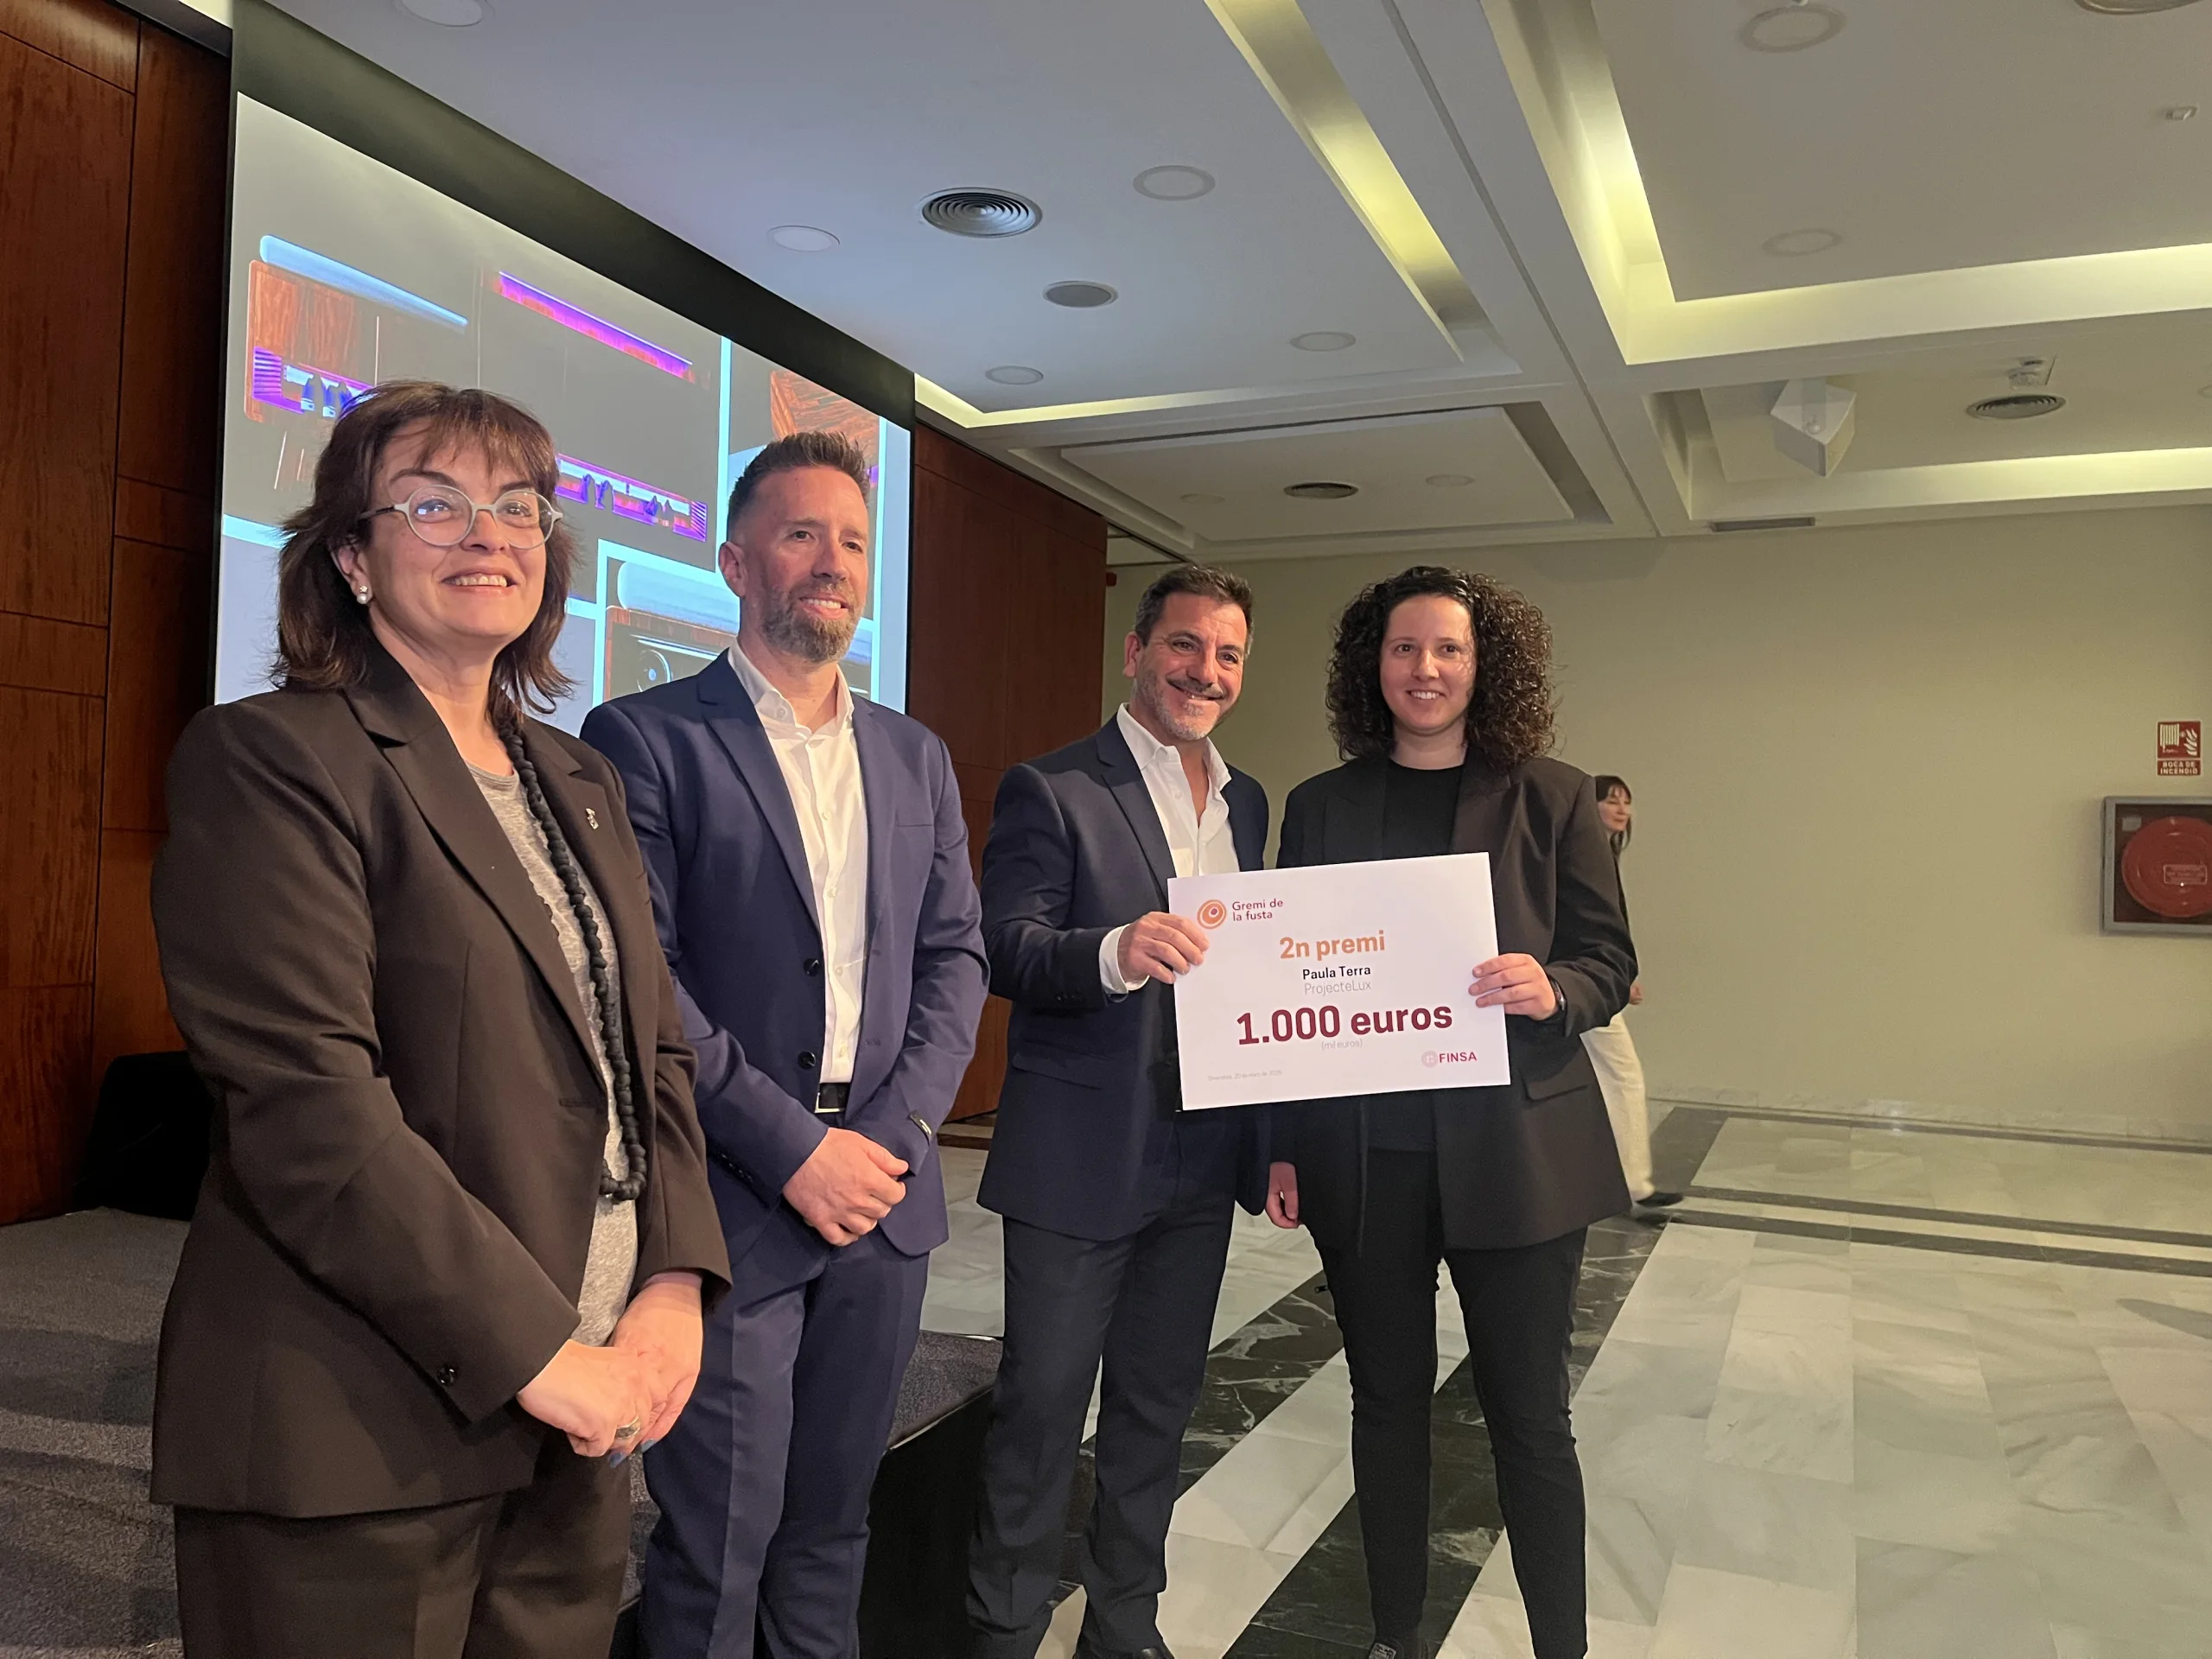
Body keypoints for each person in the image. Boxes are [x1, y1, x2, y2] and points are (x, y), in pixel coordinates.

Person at [149, 381, 731, 1657]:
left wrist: (674, 1281)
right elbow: (310, 1109)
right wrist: (541, 1355)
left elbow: (651, 1052)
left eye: (518, 507)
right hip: (359, 1424)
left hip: (583, 1417)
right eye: (433, 504)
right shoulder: (274, 758)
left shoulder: (579, 776)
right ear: (351, 559)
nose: (488, 534)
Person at [582, 431, 988, 1659]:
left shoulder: (916, 755)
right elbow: (644, 980)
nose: (833, 561)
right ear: (734, 562)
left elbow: (956, 958)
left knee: (831, 1531)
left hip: (884, 1198)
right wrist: (795, 1150)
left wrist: (893, 1135)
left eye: (853, 541)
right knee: (717, 1547)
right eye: (801, 534)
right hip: (728, 1196)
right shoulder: (643, 735)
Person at [1264, 566, 1635, 1659]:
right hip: (1366, 1156)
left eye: (1448, 649)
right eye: (1402, 648)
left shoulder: (1556, 797)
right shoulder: (1319, 806)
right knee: (1384, 1406)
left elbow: (1609, 959)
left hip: (1517, 1154)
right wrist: (1281, 1145)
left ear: (1485, 665)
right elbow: (1285, 984)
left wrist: (1553, 988)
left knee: (1530, 1418)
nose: (1423, 669)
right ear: (1369, 666)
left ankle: (1560, 1645)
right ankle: (1395, 1635)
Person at [966, 565, 1271, 1659]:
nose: (1205, 671)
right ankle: (1003, 1631)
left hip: (1201, 1153)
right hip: (1078, 1158)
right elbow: (1002, 944)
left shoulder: (1246, 800)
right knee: (1042, 1410)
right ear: (1137, 651)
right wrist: (1113, 950)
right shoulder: (1052, 788)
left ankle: (1123, 1625)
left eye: (1228, 655)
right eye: (1185, 645)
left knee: (1157, 1407)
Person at [1584, 776, 1679, 1213]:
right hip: (1584, 986)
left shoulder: (1601, 855)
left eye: (1627, 802)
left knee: (1607, 1079)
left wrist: (1621, 974)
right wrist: (1614, 977)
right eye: (1611, 801)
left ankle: (1622, 1182)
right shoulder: (1585, 857)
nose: (1622, 810)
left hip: (1589, 982)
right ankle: (1632, 1184)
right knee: (1622, 1075)